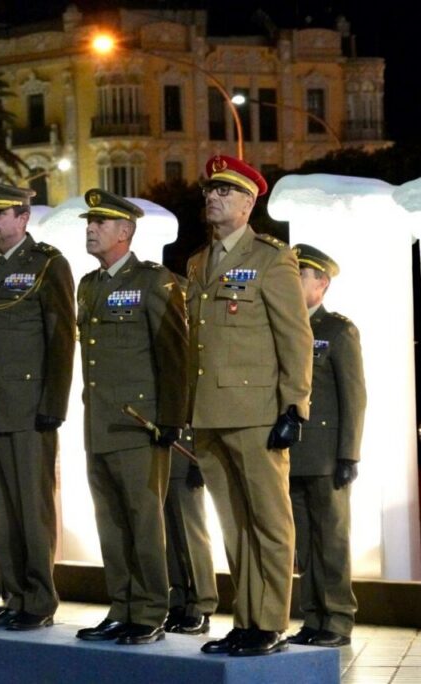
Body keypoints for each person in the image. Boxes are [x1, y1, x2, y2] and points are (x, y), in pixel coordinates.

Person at [187, 155, 313, 656]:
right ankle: (246, 619)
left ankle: (270, 622)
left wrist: (294, 407)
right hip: (210, 411)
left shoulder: (272, 258)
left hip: (258, 411)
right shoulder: (199, 261)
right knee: (234, 525)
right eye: (209, 191)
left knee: (269, 522)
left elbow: (295, 337)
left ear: (247, 203)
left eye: (223, 191)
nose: (211, 198)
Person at [73, 189, 188, 645]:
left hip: (141, 423)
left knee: (143, 521)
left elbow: (174, 354)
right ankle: (120, 606)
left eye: (100, 223)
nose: (91, 229)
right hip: (99, 422)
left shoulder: (153, 281)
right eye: (89, 223)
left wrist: (172, 419)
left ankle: (150, 610)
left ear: (125, 231)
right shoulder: (90, 284)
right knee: (111, 522)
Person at [0, 181, 76, 631]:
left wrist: (54, 402)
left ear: (23, 218)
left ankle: (38, 598)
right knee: (2, 509)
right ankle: (13, 594)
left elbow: (61, 337)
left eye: (0, 213)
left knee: (33, 509)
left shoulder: (48, 263)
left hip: (29, 406)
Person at [287, 244, 366, 648]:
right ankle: (313, 617)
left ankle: (337, 619)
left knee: (331, 542)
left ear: (322, 283)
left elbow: (354, 395)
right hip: (293, 454)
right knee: (304, 545)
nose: (293, 281)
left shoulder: (336, 330)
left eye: (301, 275)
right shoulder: (285, 326)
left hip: (327, 456)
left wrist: (349, 453)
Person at [163, 431, 217, 635]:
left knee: (192, 536)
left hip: (184, 450)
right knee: (170, 537)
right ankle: (178, 601)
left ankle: (201, 604)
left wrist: (197, 461)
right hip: (160, 453)